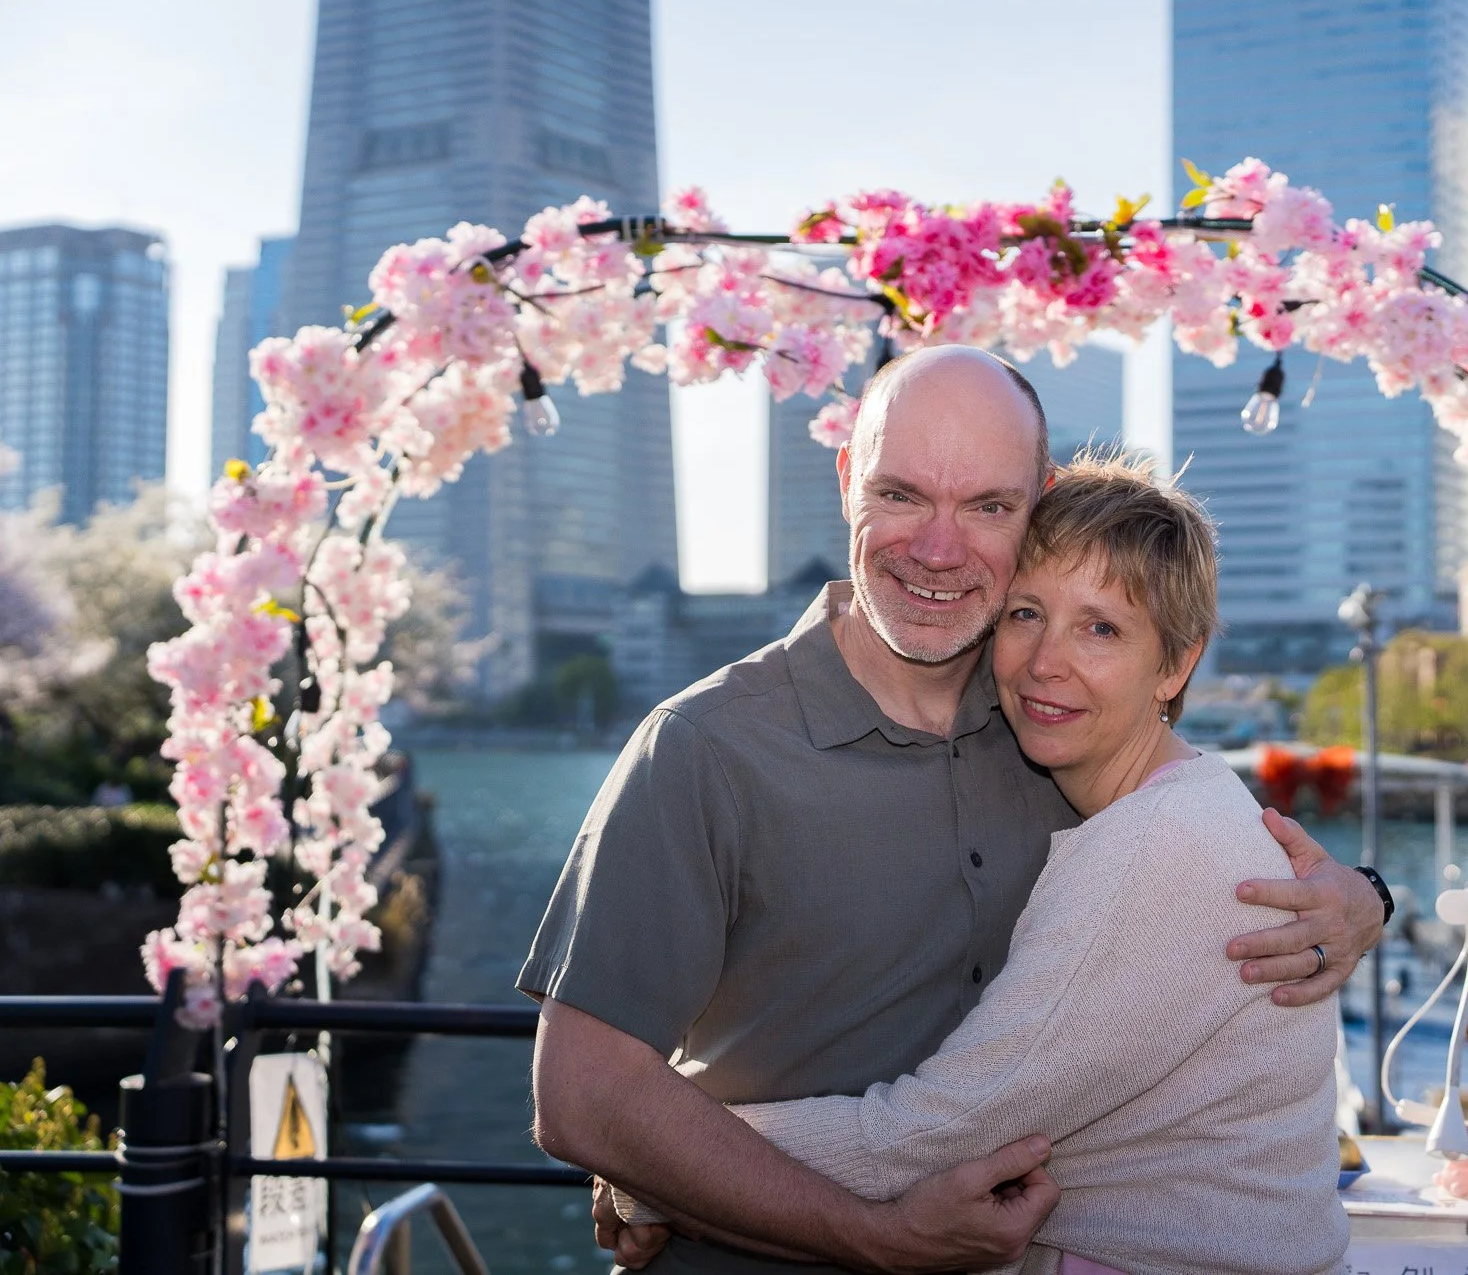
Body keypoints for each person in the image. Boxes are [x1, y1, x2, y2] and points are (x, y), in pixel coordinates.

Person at [522, 346, 1388, 1273]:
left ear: (1037, 506)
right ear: (850, 477)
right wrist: (851, 1230)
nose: (938, 550)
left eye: (987, 506)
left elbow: (1192, 861)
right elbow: (583, 1095)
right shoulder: (705, 746)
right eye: (901, 494)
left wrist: (1363, 896)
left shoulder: (1056, 717)